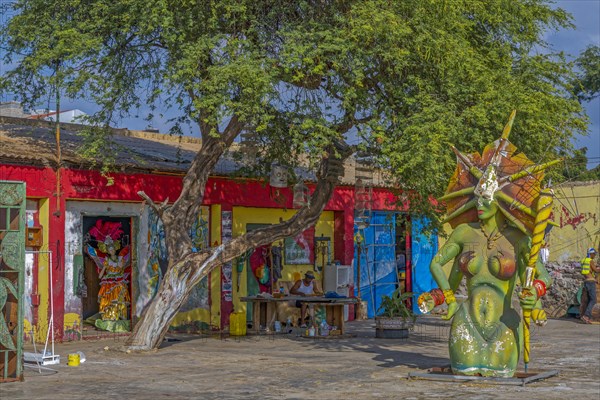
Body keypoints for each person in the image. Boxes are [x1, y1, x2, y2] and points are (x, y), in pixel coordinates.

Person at [427, 112, 554, 377]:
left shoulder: (517, 238)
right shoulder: (463, 233)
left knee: (500, 377)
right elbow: (441, 269)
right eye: (479, 198)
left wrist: (535, 293)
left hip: (504, 324)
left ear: (500, 201)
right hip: (466, 323)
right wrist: (445, 297)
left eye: (488, 199)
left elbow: (541, 276)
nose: (482, 204)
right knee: (464, 377)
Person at [580, 248, 598, 324]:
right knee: (593, 300)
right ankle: (586, 315)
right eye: (594, 254)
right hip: (591, 282)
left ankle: (587, 317)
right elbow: (596, 270)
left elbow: (588, 270)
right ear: (591, 254)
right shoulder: (590, 261)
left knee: (588, 300)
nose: (595, 255)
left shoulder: (584, 261)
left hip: (586, 281)